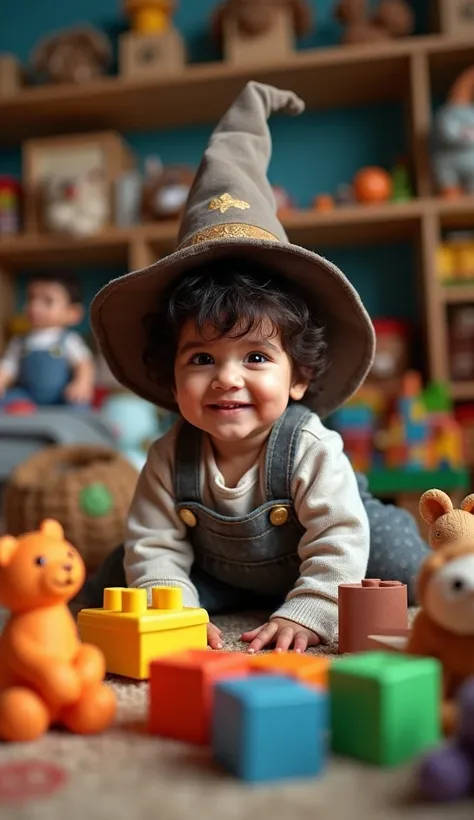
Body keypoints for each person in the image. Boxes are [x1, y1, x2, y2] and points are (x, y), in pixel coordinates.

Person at [83, 81, 428, 653]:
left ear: (297, 377)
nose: (227, 378)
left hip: (326, 552)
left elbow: (337, 533)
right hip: (222, 572)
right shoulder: (170, 456)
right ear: (172, 378)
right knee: (124, 567)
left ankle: (418, 581)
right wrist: (175, 609)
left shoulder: (310, 445)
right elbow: (157, 542)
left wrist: (313, 608)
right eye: (201, 358)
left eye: (257, 358)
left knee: (396, 561)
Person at [0, 270, 95, 409]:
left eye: (47, 301)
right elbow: (8, 367)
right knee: (6, 402)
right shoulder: (19, 342)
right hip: (27, 396)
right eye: (31, 298)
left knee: (79, 405)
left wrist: (82, 383)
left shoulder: (69, 340)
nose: (35, 307)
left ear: (73, 313)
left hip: (61, 395)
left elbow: (83, 363)